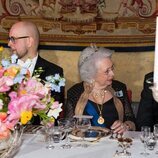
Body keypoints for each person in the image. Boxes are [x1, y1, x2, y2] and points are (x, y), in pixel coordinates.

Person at [65, 46, 135, 134]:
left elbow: (131, 120)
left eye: (112, 68)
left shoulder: (119, 88)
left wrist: (126, 126)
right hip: (86, 144)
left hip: (114, 144)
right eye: (107, 71)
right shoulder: (75, 92)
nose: (112, 74)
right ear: (91, 74)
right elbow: (67, 126)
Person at [8, 21, 65, 124]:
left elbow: (52, 114)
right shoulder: (4, 71)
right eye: (9, 39)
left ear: (29, 41)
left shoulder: (54, 72)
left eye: (13, 39)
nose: (9, 44)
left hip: (39, 136)